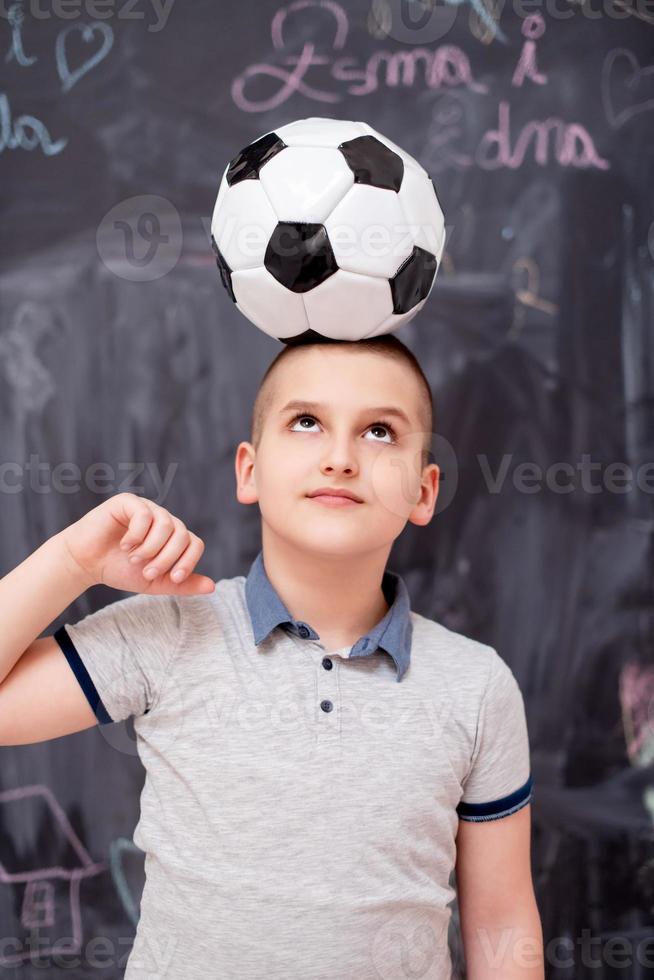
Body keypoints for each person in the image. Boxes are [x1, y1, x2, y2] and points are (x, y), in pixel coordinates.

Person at [0, 334, 545, 979]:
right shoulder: (172, 632)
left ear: (425, 491)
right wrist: (74, 562)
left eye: (379, 433)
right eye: (307, 423)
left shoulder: (476, 686)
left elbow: (503, 923)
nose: (340, 457)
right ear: (249, 470)